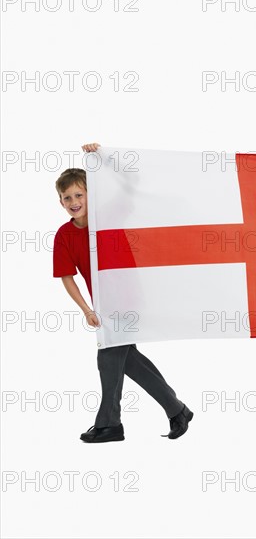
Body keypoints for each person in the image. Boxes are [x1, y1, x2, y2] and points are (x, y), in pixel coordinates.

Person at [53, 142, 193, 443]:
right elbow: (66, 276)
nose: (74, 201)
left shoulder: (108, 216)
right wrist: (87, 310)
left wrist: (102, 158)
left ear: (91, 194)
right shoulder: (64, 236)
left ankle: (109, 424)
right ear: (61, 202)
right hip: (103, 306)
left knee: (108, 358)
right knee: (128, 360)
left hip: (129, 300)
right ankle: (177, 410)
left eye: (79, 195)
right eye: (67, 198)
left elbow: (131, 183)